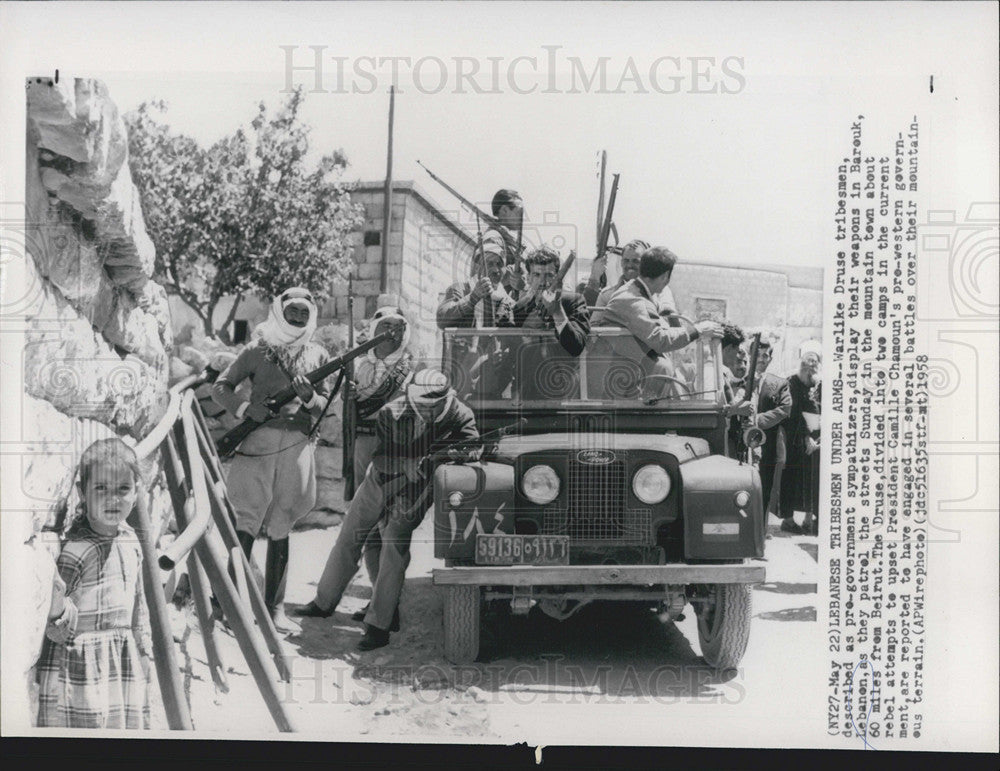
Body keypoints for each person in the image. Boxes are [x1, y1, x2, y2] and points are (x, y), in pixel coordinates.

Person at [295, 369, 481, 651]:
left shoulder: (460, 413)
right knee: (351, 537)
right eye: (425, 407)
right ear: (412, 400)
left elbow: (472, 444)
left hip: (421, 487)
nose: (432, 412)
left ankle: (379, 626)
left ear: (448, 399)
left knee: (394, 542)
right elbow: (380, 459)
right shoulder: (390, 413)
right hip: (381, 479)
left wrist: (465, 453)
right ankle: (324, 603)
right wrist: (405, 464)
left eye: (438, 406)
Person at [211, 287, 330, 633]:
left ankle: (273, 609)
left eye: (303, 313)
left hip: (296, 445)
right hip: (258, 441)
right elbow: (221, 387)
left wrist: (310, 400)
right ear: (279, 311)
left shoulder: (319, 355)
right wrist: (247, 409)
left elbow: (325, 406)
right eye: (291, 311)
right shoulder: (257, 349)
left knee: (282, 523)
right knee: (246, 519)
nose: (297, 318)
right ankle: (225, 605)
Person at [37, 439, 152, 728]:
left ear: (137, 492)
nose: (113, 499)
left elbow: (139, 605)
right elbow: (55, 630)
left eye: (123, 489)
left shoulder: (130, 541)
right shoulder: (77, 551)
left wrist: (143, 648)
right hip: (79, 671)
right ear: (82, 492)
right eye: (101, 488)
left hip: (120, 662)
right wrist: (58, 606)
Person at [343, 302, 414, 621]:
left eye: (396, 327)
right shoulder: (358, 367)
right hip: (363, 445)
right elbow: (345, 411)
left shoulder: (413, 368)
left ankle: (390, 605)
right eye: (384, 327)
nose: (390, 333)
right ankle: (376, 599)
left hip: (396, 448)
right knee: (368, 526)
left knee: (392, 527)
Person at [599, 246, 722, 399]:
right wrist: (698, 330)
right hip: (614, 379)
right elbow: (660, 339)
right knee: (663, 369)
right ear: (665, 276)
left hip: (622, 372)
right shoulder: (634, 299)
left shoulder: (637, 293)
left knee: (666, 370)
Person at [437, 245, 516, 397]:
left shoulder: (507, 300)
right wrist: (473, 297)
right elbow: (442, 319)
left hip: (495, 382)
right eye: (489, 264)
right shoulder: (461, 289)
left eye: (499, 264)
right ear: (477, 266)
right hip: (460, 379)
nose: (495, 269)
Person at [728, 340, 792, 520]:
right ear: (750, 355)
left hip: (767, 444)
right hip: (738, 443)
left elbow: (784, 409)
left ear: (770, 359)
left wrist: (755, 420)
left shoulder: (779, 383)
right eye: (758, 354)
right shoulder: (738, 379)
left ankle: (760, 534)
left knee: (763, 488)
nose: (762, 359)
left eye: (766, 355)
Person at [779, 347, 822, 535]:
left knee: (812, 479)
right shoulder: (792, 383)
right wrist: (806, 437)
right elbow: (793, 413)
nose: (811, 367)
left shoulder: (815, 384)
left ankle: (808, 519)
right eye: (808, 362)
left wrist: (814, 439)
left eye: (815, 364)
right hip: (794, 438)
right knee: (791, 478)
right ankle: (788, 520)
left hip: (813, 439)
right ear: (802, 365)